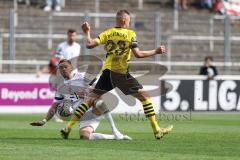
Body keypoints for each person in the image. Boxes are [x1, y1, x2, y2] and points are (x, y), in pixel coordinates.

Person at [61, 10, 173, 140]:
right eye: (129, 21)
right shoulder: (130, 34)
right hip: (121, 74)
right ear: (125, 21)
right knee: (145, 97)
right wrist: (156, 51)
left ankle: (67, 128)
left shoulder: (108, 33)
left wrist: (87, 32)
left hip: (107, 72)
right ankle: (157, 130)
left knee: (89, 100)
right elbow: (138, 54)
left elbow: (89, 44)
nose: (129, 23)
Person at [31, 59, 131, 140]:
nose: (63, 69)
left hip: (94, 108)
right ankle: (114, 137)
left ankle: (115, 130)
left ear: (71, 68)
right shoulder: (60, 87)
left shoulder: (83, 76)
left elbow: (100, 87)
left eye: (66, 67)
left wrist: (88, 90)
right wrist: (44, 121)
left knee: (96, 99)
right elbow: (54, 106)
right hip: (83, 116)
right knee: (84, 137)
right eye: (61, 68)